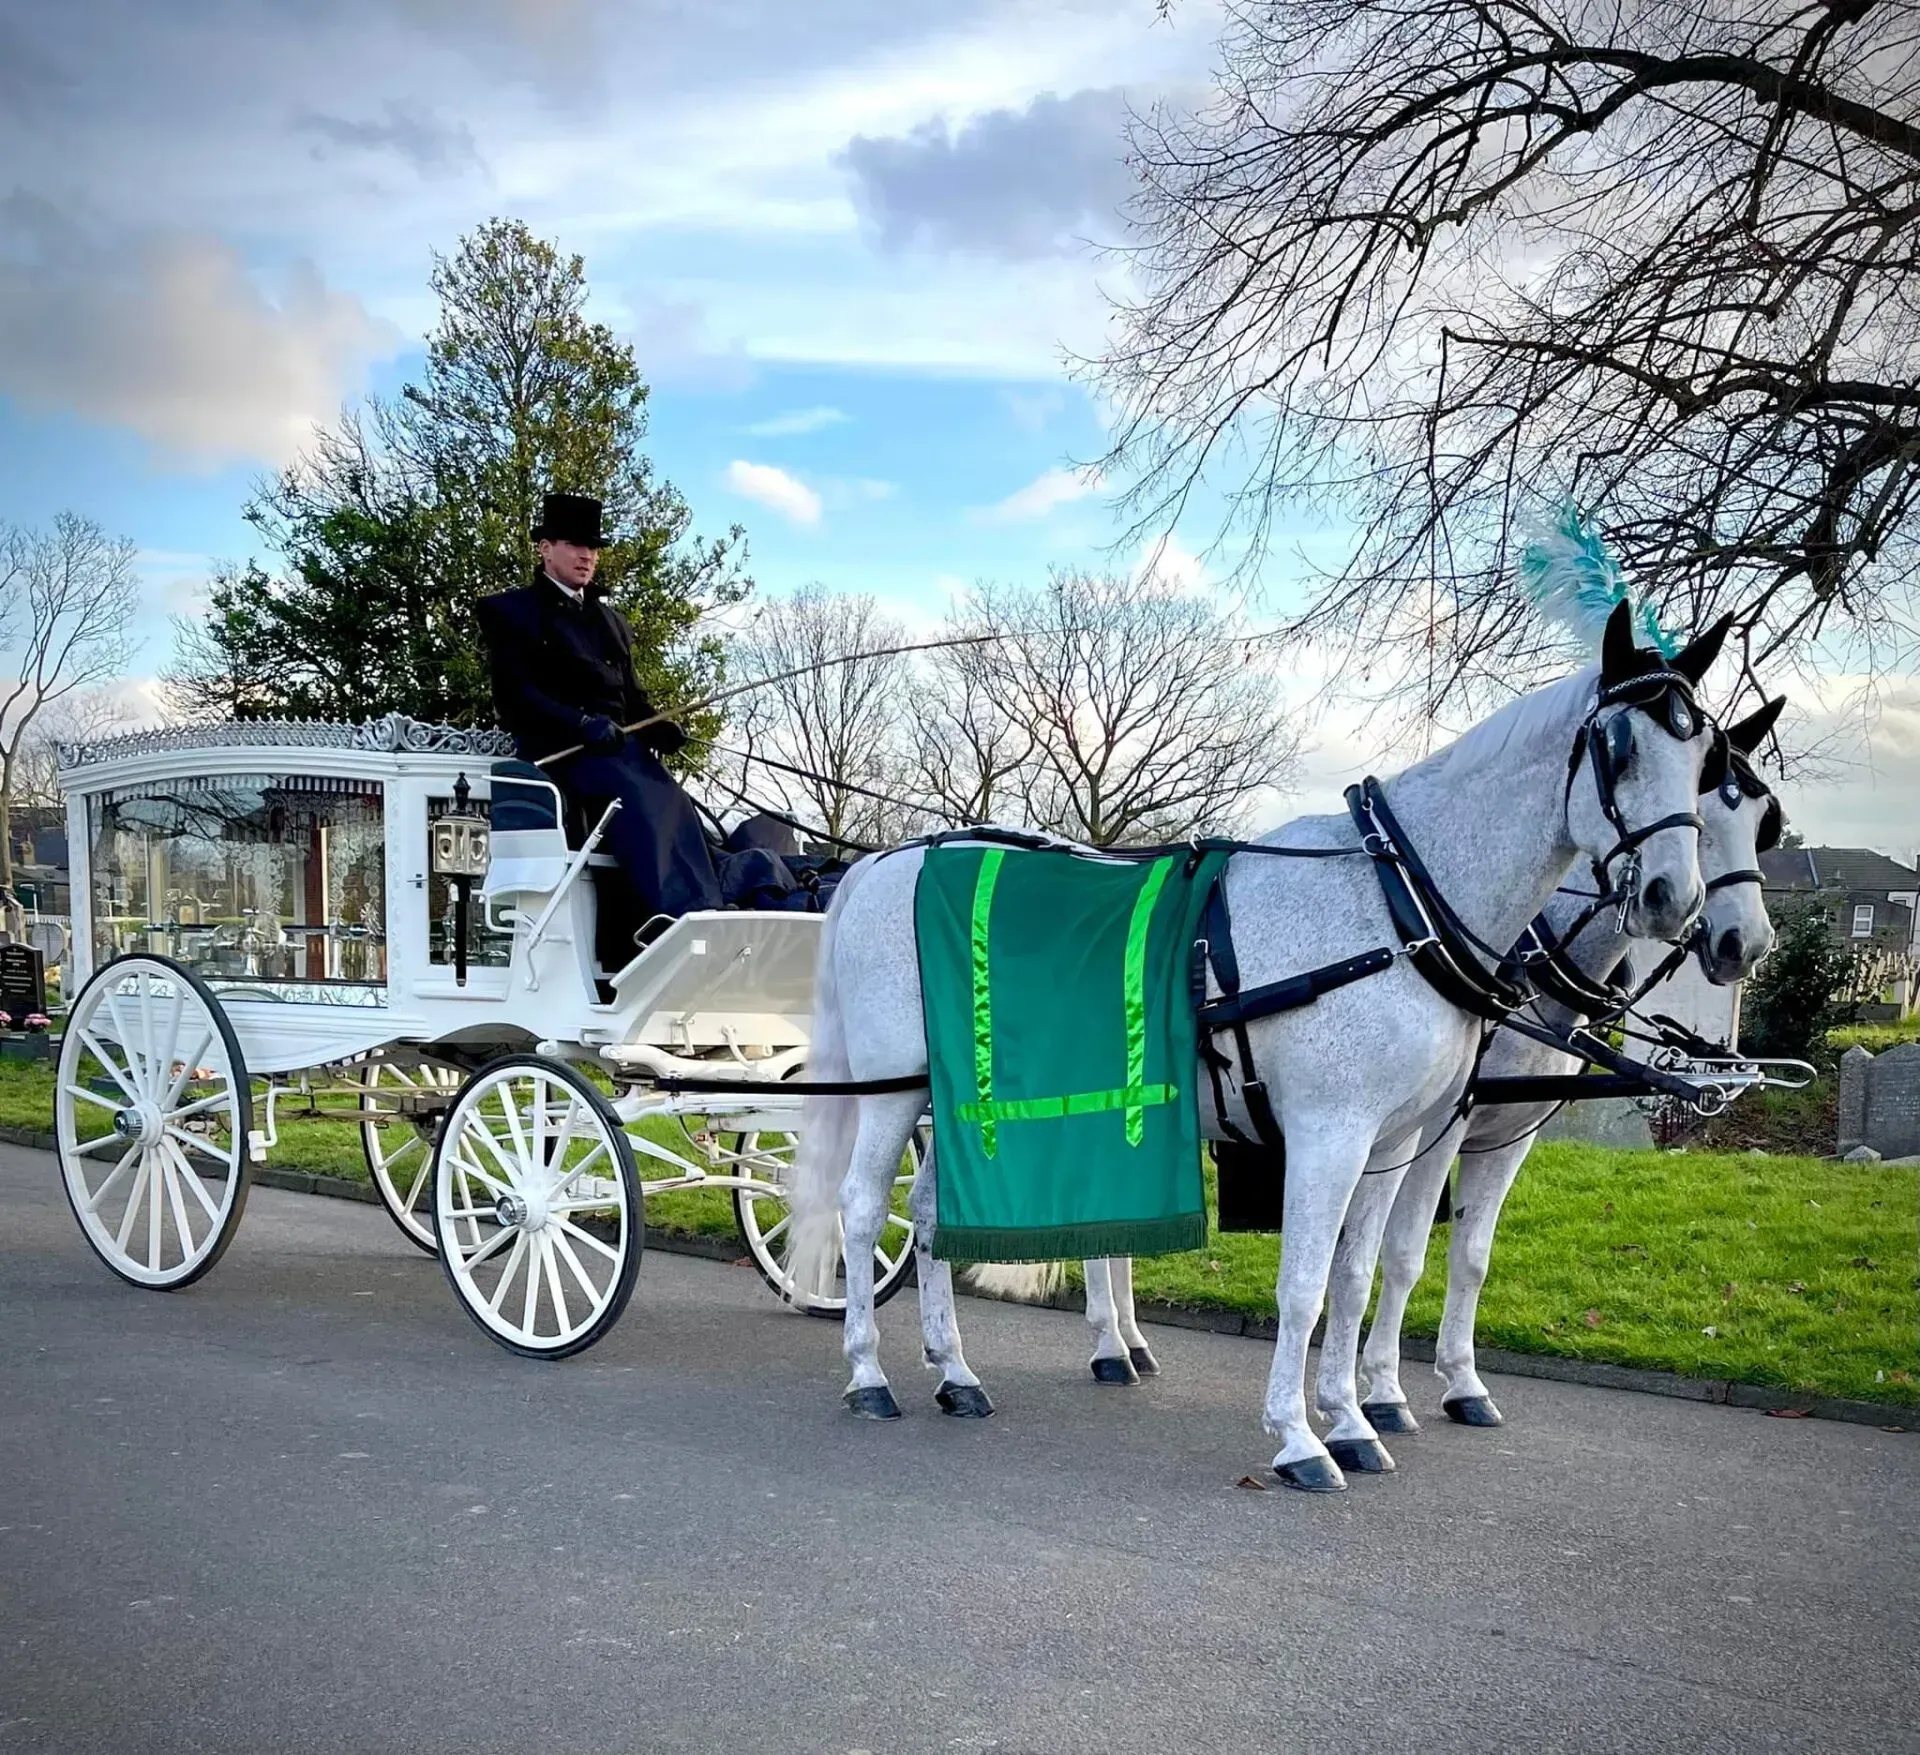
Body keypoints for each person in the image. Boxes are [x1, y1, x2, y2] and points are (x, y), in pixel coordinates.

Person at [475, 492, 729, 923]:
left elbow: (632, 699)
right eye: (575, 545)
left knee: (677, 804)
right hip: (560, 754)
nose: (586, 556)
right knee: (640, 800)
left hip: (617, 752)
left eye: (592, 548)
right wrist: (580, 724)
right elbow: (516, 697)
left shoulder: (611, 621)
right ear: (546, 549)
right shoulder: (509, 612)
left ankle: (715, 902)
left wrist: (659, 728)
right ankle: (674, 915)